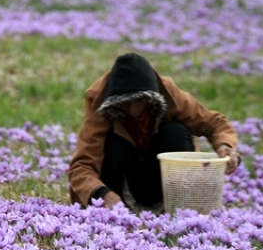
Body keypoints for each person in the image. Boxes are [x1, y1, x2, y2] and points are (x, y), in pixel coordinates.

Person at [69, 53, 240, 210]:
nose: (131, 110)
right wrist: (102, 193)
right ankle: (121, 210)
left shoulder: (167, 92)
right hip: (119, 183)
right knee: (112, 143)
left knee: (174, 132)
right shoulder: (99, 100)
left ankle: (172, 206)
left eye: (138, 102)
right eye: (124, 103)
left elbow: (214, 123)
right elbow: (82, 165)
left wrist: (225, 146)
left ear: (151, 98)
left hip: (162, 176)